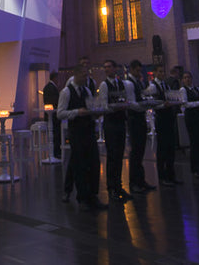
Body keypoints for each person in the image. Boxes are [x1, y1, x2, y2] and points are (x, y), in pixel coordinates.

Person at [58, 61, 105, 210]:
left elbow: (90, 107)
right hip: (76, 132)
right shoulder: (66, 92)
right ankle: (82, 197)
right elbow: (60, 113)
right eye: (84, 75)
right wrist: (77, 112)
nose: (86, 78)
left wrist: (95, 114)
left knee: (94, 162)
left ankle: (93, 195)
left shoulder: (87, 91)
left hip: (89, 130)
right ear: (76, 75)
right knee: (79, 164)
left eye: (87, 75)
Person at [97, 60, 133, 203]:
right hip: (111, 122)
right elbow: (103, 104)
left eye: (109, 67)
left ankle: (118, 186)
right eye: (105, 67)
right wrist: (116, 107)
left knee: (119, 155)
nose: (106, 69)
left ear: (115, 68)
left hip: (120, 121)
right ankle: (111, 187)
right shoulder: (104, 85)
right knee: (112, 155)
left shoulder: (120, 83)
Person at [149, 64, 182, 186]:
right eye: (160, 71)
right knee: (162, 148)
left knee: (170, 148)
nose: (162, 73)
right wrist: (164, 105)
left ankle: (171, 175)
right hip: (161, 117)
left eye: (163, 71)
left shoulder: (166, 85)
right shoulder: (153, 86)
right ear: (155, 73)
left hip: (169, 117)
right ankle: (162, 177)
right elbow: (152, 103)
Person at [126, 60, 154, 193]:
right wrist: (144, 105)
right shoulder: (129, 83)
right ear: (131, 69)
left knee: (140, 151)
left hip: (140, 118)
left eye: (139, 70)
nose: (139, 73)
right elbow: (131, 103)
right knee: (136, 151)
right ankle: (134, 182)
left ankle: (140, 180)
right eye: (137, 70)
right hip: (134, 119)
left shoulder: (138, 82)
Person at [180, 71, 199, 178]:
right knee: (194, 143)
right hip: (191, 117)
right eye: (185, 77)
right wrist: (198, 103)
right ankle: (195, 169)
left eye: (189, 77)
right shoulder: (183, 90)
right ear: (183, 80)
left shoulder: (197, 89)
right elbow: (185, 104)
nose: (187, 79)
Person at [42, 73, 62, 162]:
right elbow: (52, 101)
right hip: (53, 114)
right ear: (55, 78)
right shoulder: (50, 88)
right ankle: (55, 152)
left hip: (52, 114)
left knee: (55, 133)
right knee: (55, 133)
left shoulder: (47, 87)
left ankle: (55, 152)